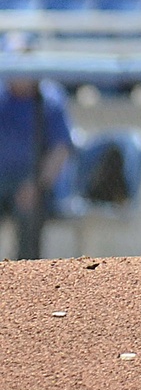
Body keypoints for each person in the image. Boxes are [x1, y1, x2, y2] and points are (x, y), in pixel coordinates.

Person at [0, 51, 74, 260]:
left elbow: (60, 151)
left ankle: (27, 278)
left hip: (34, 182)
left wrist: (37, 185)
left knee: (30, 209)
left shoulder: (48, 99)